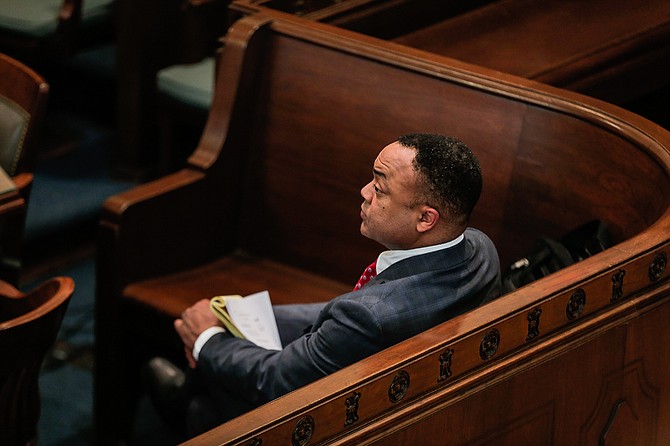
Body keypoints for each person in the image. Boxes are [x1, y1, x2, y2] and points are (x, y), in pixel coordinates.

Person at [145, 133, 501, 437]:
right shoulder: (479, 249)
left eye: (379, 188)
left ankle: (187, 413)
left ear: (426, 218)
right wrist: (242, 317)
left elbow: (276, 380)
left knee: (208, 395)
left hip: (353, 424)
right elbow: (352, 313)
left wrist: (207, 338)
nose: (363, 193)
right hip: (420, 397)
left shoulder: (369, 316)